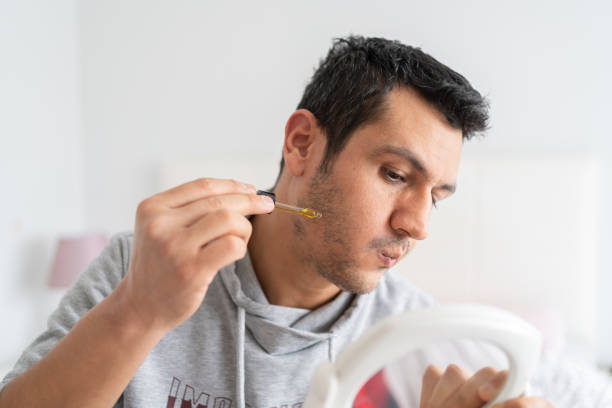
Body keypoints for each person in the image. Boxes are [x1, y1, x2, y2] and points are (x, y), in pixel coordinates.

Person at [0, 36, 552, 408]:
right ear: (302, 143)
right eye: (393, 174)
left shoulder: (419, 340)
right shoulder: (140, 269)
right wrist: (137, 312)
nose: (417, 225)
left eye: (437, 195)